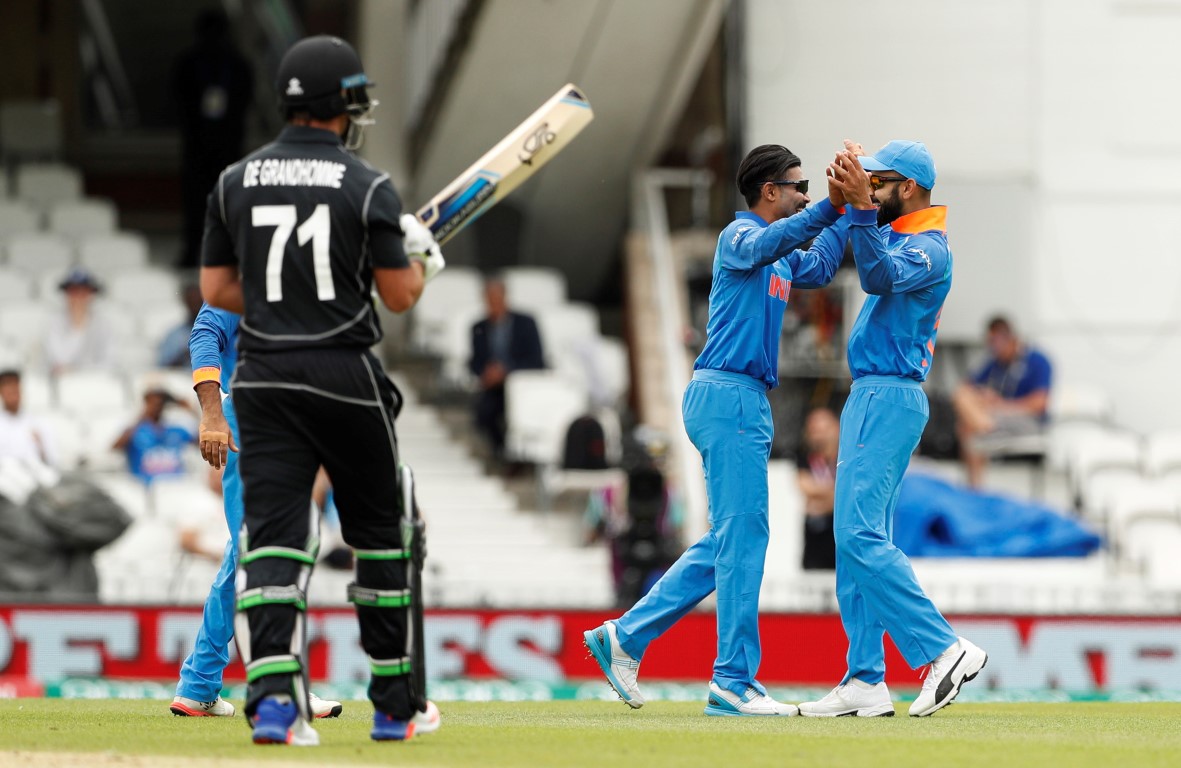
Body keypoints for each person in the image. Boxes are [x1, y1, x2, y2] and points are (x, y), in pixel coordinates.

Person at [199, 35, 445, 745]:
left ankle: (274, 703)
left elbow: (216, 289)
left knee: (272, 541)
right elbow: (399, 298)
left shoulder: (233, 180)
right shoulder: (367, 184)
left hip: (265, 375)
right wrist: (418, 261)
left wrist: (289, 299)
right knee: (378, 538)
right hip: (344, 374)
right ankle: (395, 705)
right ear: (345, 106)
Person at [584, 144, 849, 717]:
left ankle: (625, 637)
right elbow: (781, 239)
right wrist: (830, 205)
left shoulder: (776, 255)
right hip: (728, 395)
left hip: (741, 399)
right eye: (798, 186)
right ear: (769, 191)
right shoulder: (740, 238)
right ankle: (732, 681)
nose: (805, 195)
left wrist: (849, 208)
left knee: (734, 540)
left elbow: (822, 265)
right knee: (745, 539)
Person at [799, 141, 987, 719]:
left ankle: (944, 649)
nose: (871, 189)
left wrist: (856, 210)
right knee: (856, 541)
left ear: (907, 187)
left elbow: (877, 277)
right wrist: (846, 206)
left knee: (857, 536)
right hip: (874, 394)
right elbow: (847, 264)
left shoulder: (930, 247)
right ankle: (865, 678)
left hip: (890, 395)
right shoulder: (905, 234)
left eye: (879, 182)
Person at [168, 303, 348, 722]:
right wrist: (212, 413)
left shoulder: (301, 278)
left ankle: (199, 684)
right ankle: (281, 683)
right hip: (249, 417)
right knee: (268, 547)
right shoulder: (248, 270)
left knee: (253, 549)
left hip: (289, 422)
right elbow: (205, 332)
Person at [173, 9, 253, 269]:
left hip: (228, 146)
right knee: (195, 202)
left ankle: (229, 255)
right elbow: (178, 102)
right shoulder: (188, 63)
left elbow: (244, 102)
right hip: (196, 145)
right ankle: (193, 251)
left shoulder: (238, 65)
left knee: (228, 202)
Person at [953, 315, 1053, 487]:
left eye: (998, 342)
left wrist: (1000, 405)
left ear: (1011, 338)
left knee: (967, 425)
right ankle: (976, 486)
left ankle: (975, 486)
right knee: (963, 398)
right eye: (991, 343)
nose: (995, 348)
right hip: (998, 418)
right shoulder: (996, 363)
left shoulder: (1037, 361)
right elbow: (968, 387)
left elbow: (1039, 405)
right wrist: (984, 396)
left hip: (1028, 421)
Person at [468, 276, 545, 461]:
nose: (493, 303)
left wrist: (507, 371)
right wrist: (485, 373)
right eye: (489, 299)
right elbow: (474, 361)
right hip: (495, 388)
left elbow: (536, 359)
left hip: (524, 385)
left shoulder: (525, 323)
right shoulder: (478, 328)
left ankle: (518, 457)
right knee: (484, 414)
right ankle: (503, 453)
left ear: (505, 297)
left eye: (496, 298)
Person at [112, 387, 195, 485]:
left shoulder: (176, 430)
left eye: (160, 402)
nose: (156, 406)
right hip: (143, 487)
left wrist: (191, 411)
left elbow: (205, 443)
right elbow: (115, 448)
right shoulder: (136, 431)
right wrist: (142, 417)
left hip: (175, 486)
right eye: (152, 402)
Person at [43, 268, 115, 375]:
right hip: (63, 382)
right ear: (66, 295)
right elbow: (60, 359)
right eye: (73, 292)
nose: (78, 298)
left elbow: (110, 361)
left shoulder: (104, 323)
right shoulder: (53, 322)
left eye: (83, 292)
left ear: (90, 294)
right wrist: (78, 327)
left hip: (96, 381)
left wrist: (81, 371)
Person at [797, 406, 839, 571]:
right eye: (814, 430)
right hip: (814, 539)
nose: (818, 435)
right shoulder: (804, 457)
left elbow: (851, 494)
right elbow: (805, 487)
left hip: (839, 540)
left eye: (823, 429)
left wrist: (822, 499)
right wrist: (835, 495)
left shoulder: (846, 457)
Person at [0, 369, 57, 467]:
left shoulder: (37, 423)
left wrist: (41, 447)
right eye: (7, 385)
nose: (12, 390)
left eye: (15, 385)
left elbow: (53, 461)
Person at [156, 284, 206, 368]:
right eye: (191, 300)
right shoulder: (174, 336)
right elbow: (163, 369)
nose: (195, 303)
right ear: (185, 301)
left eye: (199, 300)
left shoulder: (222, 332)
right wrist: (186, 354)